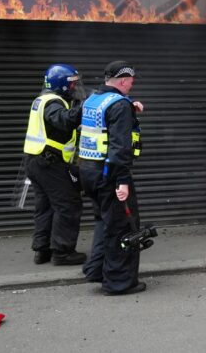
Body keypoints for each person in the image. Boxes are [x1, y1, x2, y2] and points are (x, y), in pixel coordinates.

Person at [78, 61, 146, 296]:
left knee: (103, 222)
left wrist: (130, 107)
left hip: (88, 172)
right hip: (110, 175)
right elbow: (120, 148)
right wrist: (123, 181)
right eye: (131, 82)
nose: (131, 85)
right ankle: (118, 282)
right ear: (124, 81)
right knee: (121, 226)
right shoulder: (119, 106)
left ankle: (97, 269)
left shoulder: (93, 99)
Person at [23, 64, 86, 266]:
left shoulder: (41, 100)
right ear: (60, 84)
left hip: (37, 161)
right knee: (68, 205)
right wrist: (83, 107)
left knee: (45, 207)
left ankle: (42, 251)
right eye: (72, 84)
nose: (75, 87)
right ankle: (63, 252)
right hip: (51, 163)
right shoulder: (53, 102)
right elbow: (63, 121)